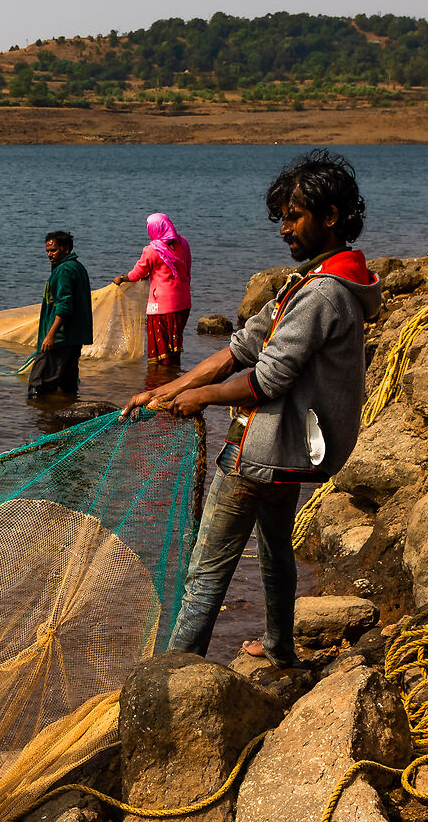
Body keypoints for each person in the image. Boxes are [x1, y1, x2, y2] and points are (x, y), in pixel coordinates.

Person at [124, 151, 380, 668]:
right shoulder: (308, 281)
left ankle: (172, 675)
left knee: (205, 570)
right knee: (274, 550)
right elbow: (239, 349)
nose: (284, 229)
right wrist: (168, 390)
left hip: (261, 451)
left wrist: (198, 398)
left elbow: (267, 378)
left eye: (294, 216)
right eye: (281, 218)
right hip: (287, 453)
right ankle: (280, 644)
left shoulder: (323, 294)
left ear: (330, 217)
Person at [115, 211, 193, 375]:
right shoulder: (183, 243)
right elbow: (187, 271)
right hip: (183, 303)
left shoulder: (152, 250)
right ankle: (174, 376)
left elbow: (137, 274)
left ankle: (159, 383)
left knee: (160, 351)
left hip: (161, 307)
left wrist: (122, 278)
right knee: (174, 344)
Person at [25, 229, 91, 400]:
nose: (49, 254)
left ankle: (42, 422)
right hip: (74, 337)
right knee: (67, 383)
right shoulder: (77, 267)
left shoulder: (64, 271)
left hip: (60, 337)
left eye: (53, 250)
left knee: (38, 385)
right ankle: (65, 417)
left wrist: (50, 335)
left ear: (66, 249)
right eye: (47, 251)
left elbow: (64, 306)